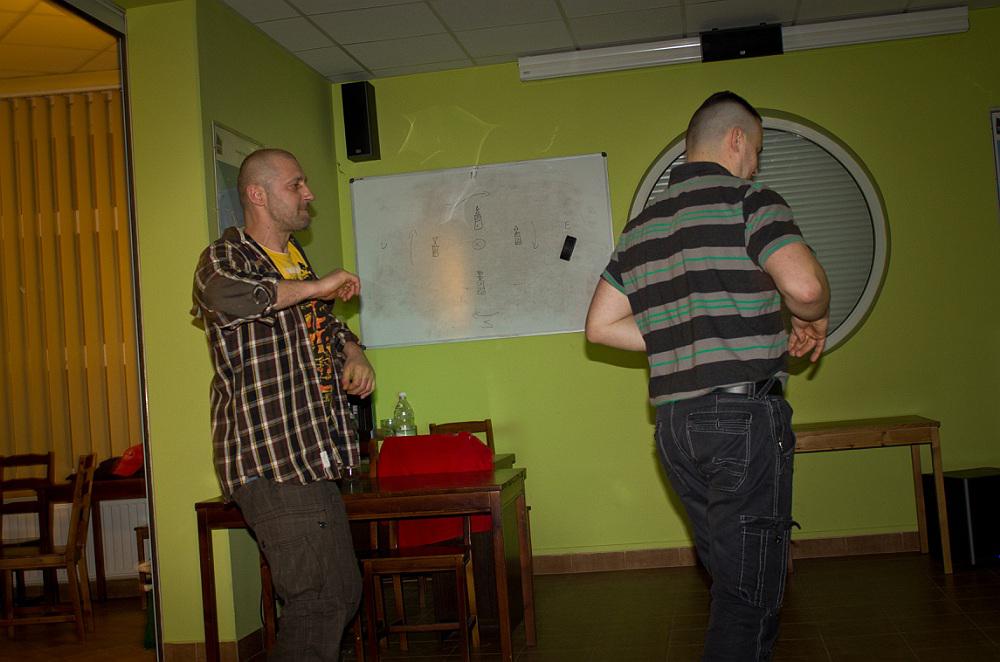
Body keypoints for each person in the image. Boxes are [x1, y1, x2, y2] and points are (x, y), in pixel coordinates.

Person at [586, 91, 829, 661]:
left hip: (675, 429)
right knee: (749, 594)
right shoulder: (750, 201)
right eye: (756, 150)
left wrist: (680, 334)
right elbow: (806, 287)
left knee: (731, 578)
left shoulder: (641, 228)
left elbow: (600, 326)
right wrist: (812, 317)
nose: (755, 165)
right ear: (736, 139)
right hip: (742, 421)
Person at [192, 148, 375, 661]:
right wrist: (317, 286)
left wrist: (353, 351)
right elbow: (226, 296)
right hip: (269, 459)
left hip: (311, 455)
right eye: (296, 184)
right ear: (258, 194)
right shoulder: (226, 257)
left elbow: (322, 324)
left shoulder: (292, 260)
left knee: (342, 592)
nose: (308, 194)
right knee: (317, 601)